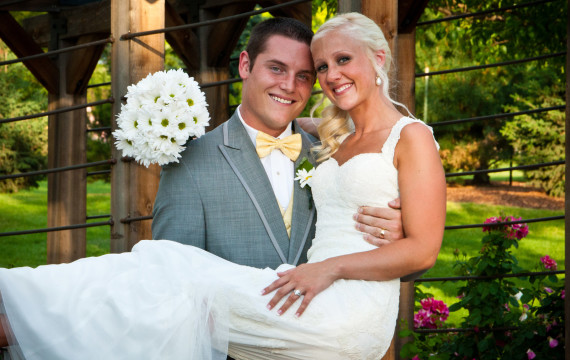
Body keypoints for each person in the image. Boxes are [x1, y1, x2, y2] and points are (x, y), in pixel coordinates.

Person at [0, 13, 445, 360]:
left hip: (339, 316)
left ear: (379, 59)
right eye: (320, 67)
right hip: (255, 333)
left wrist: (395, 236)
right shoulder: (326, 141)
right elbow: (163, 310)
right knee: (165, 265)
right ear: (246, 65)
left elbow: (421, 251)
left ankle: (19, 312)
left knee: (171, 270)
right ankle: (18, 307)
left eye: (316, 71)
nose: (305, 83)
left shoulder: (378, 141)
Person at [151, 17, 404, 271]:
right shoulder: (190, 163)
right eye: (276, 68)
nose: (289, 86)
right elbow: (172, 278)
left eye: (303, 76)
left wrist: (395, 237)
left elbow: (411, 262)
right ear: (245, 65)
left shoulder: (332, 156)